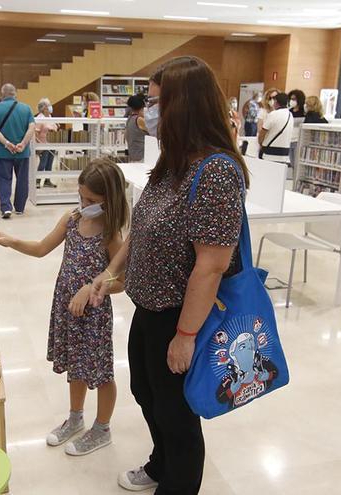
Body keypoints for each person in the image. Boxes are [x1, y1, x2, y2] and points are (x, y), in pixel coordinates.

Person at [90, 55, 248, 494]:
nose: (147, 113)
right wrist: (109, 272)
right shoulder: (172, 162)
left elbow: (212, 263)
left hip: (179, 316)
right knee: (147, 394)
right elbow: (139, 227)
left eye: (158, 102)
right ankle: (160, 464)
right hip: (148, 307)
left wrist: (185, 334)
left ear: (185, 106)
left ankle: (176, 483)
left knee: (178, 415)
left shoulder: (215, 171)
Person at [0, 157, 129, 457]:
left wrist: (92, 287)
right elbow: (41, 248)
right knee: (75, 367)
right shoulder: (72, 219)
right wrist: (12, 241)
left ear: (109, 199)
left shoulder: (111, 234)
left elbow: (122, 282)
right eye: (81, 196)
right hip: (66, 309)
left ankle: (102, 428)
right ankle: (75, 417)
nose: (84, 203)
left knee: (101, 372)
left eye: (91, 199)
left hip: (94, 317)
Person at [0, 83, 35, 219]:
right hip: (22, 152)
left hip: (3, 152)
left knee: (4, 179)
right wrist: (23, 143)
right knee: (22, 179)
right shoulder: (26, 108)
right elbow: (31, 127)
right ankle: (20, 207)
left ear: (2, 94)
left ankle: (6, 208)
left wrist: (7, 143)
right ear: (15, 93)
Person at [258, 92, 294, 164]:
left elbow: (263, 132)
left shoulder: (273, 114)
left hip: (270, 153)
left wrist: (260, 143)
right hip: (284, 154)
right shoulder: (290, 115)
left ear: (276, 102)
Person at [35, 97, 58, 189]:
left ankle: (47, 181)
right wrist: (38, 144)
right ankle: (38, 180)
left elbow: (54, 127)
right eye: (49, 105)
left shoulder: (50, 117)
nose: (50, 107)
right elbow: (35, 132)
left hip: (51, 143)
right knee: (43, 163)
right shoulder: (40, 118)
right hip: (42, 144)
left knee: (50, 163)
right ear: (44, 108)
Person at [126, 94, 149, 162]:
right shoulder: (139, 120)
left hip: (133, 156)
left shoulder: (129, 119)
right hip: (142, 156)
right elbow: (154, 131)